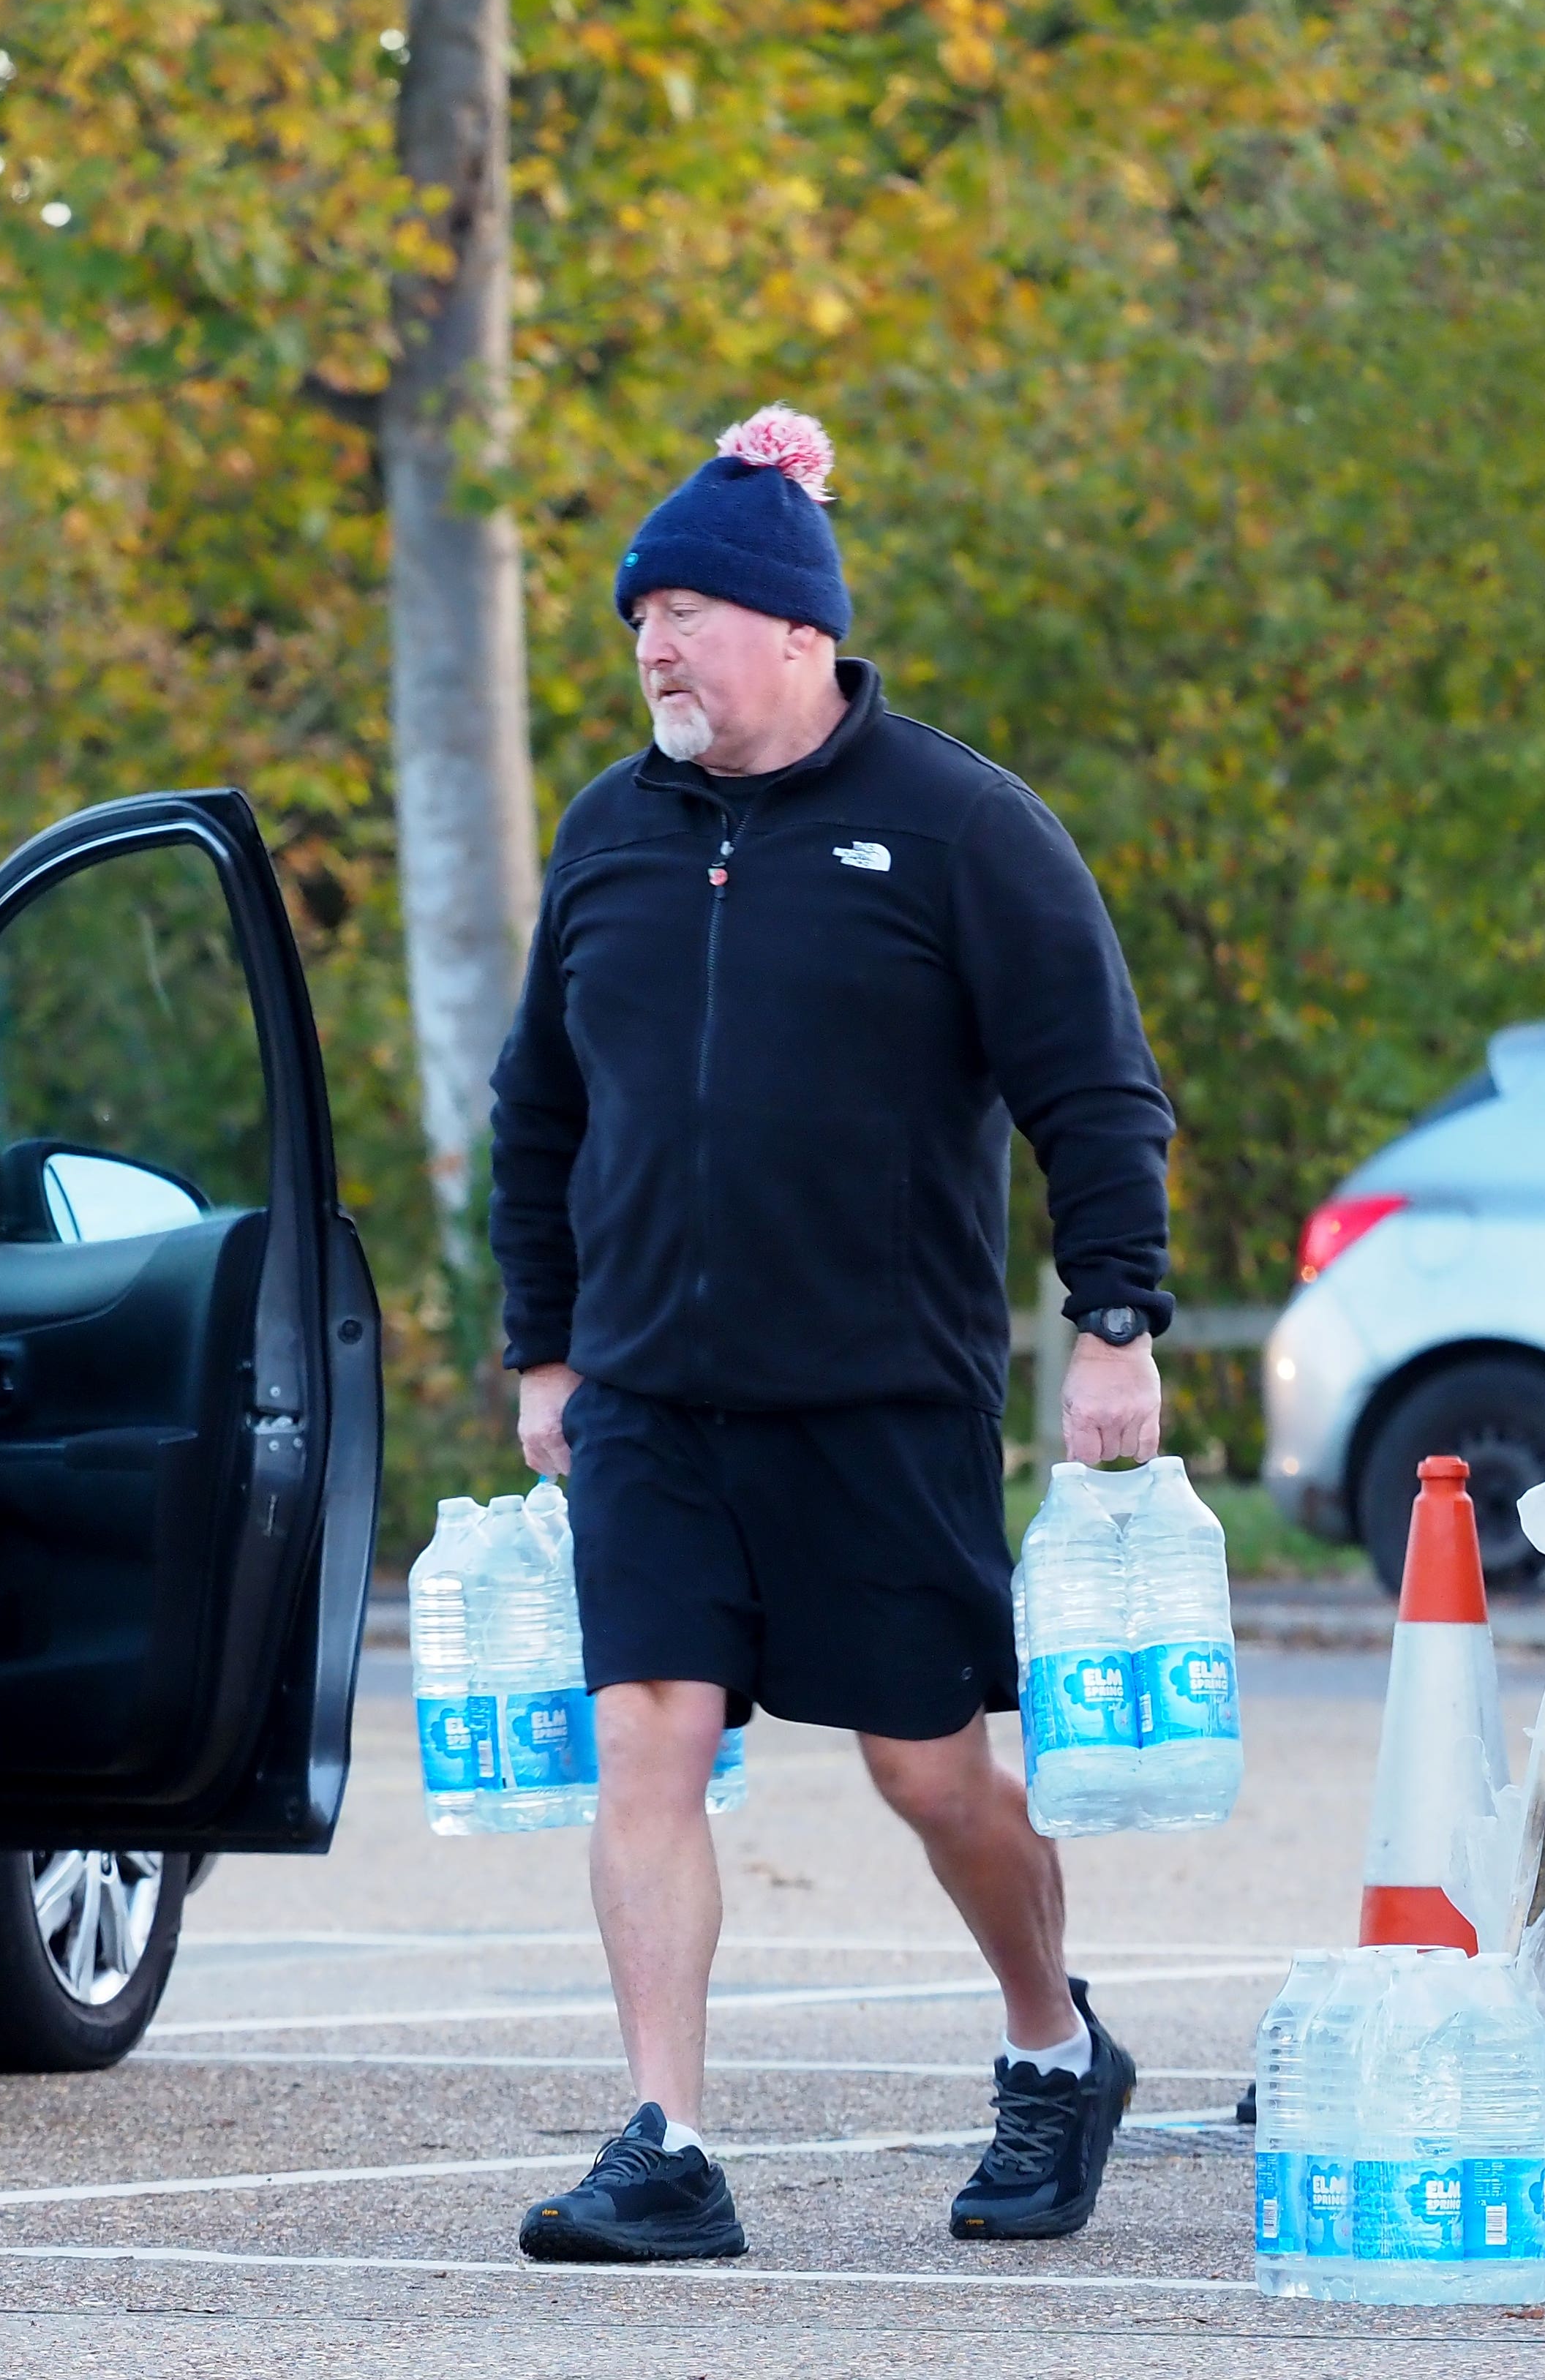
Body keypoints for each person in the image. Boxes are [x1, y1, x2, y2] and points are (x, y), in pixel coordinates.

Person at [489, 407, 1179, 2263]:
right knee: (649, 1733)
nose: (657, 646)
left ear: (799, 632)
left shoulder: (961, 825)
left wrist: (1114, 1322)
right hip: (648, 1393)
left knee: (926, 1766)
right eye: (643, 614)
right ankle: (666, 2143)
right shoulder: (611, 835)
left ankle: (1054, 2051)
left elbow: (1094, 1096)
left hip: (880, 1395)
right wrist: (541, 1351)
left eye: (696, 608)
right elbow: (538, 1112)